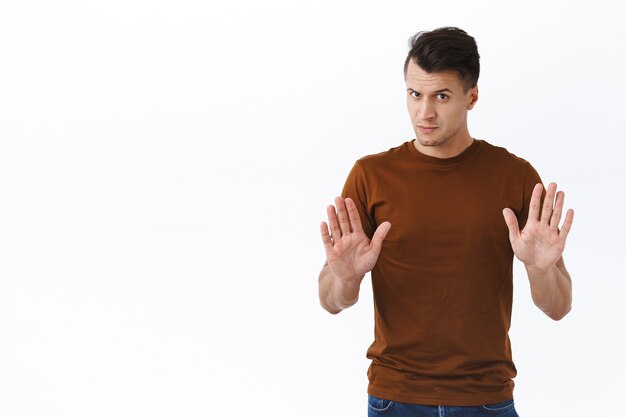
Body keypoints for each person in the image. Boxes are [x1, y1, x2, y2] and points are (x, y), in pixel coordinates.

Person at [318, 27, 574, 417]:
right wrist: (347, 278)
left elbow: (557, 307)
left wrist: (540, 270)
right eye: (414, 94)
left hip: (486, 399)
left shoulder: (515, 177)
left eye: (441, 96)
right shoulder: (370, 176)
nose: (425, 113)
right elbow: (331, 300)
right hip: (394, 398)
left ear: (471, 97)